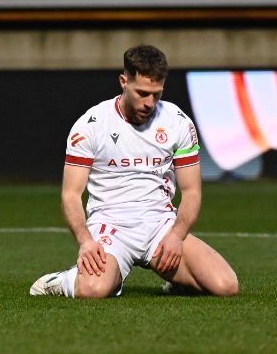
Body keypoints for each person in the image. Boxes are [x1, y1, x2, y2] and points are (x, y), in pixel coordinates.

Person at [30, 45, 239, 299]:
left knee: (225, 286)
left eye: (156, 94)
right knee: (93, 290)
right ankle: (62, 280)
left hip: (160, 226)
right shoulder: (90, 125)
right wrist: (86, 241)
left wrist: (176, 236)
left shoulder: (178, 122)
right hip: (110, 226)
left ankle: (181, 282)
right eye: (142, 93)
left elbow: (192, 191)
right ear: (123, 81)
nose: (149, 103)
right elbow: (71, 195)